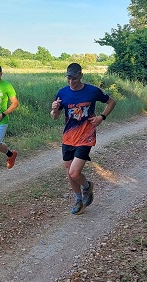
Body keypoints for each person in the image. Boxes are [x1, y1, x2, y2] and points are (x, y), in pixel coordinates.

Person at [50, 63, 116, 215]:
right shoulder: (62, 93)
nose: (71, 82)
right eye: (68, 78)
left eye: (74, 78)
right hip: (68, 138)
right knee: (69, 171)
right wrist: (54, 109)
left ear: (80, 75)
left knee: (74, 172)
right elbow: (55, 117)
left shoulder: (92, 91)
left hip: (86, 136)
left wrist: (102, 117)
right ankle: (79, 199)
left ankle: (87, 187)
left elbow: (111, 102)